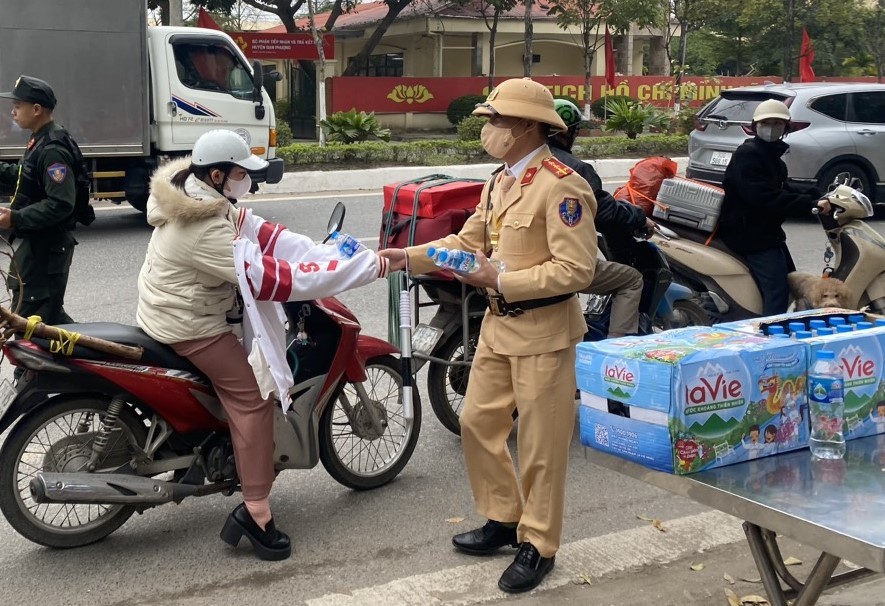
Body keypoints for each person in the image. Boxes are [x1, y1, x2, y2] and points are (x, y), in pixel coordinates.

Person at [380, 78, 597, 594]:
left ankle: (539, 544)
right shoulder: (500, 180)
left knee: (543, 449)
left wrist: (500, 279)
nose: (488, 129)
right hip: (498, 327)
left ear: (525, 125)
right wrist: (405, 257)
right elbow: (465, 241)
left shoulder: (562, 184)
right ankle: (503, 517)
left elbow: (577, 269)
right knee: (478, 423)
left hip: (545, 331)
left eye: (495, 120)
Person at [136, 129, 390, 561]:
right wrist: (364, 268)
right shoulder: (202, 228)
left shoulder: (198, 197)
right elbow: (274, 280)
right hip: (191, 326)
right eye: (240, 174)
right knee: (253, 402)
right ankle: (255, 513)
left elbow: (264, 234)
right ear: (217, 175)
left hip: (170, 312)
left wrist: (319, 252)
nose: (246, 183)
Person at [548, 99, 655, 337]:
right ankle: (616, 351)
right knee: (632, 280)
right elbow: (604, 212)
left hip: (523, 261)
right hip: (560, 264)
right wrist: (639, 217)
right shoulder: (575, 169)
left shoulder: (517, 164)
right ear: (566, 131)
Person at [718, 99, 830, 315]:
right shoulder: (748, 155)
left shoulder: (772, 158)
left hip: (765, 231)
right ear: (754, 126)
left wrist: (818, 194)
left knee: (790, 279)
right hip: (747, 232)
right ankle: (771, 336)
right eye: (766, 123)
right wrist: (811, 205)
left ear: (786, 128)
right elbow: (764, 197)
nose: (771, 128)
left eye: (777, 124)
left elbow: (781, 187)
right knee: (777, 289)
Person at [0, 75, 83, 325]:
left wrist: (16, 217)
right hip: (40, 245)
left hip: (47, 250)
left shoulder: (52, 149)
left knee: (31, 326)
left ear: (36, 109)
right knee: (49, 321)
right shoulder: (40, 139)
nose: (12, 111)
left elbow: (60, 203)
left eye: (17, 106)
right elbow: (25, 177)